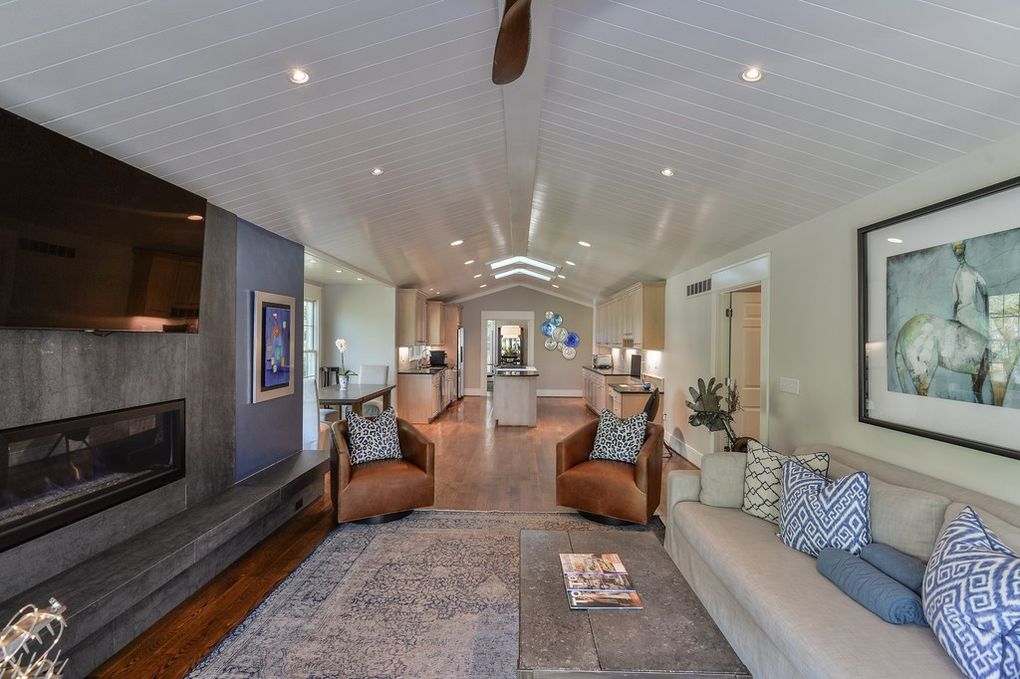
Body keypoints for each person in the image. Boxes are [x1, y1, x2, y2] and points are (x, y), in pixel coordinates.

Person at [951, 240, 988, 338]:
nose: (958, 255)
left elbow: (956, 301)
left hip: (962, 317)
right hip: (973, 316)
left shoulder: (957, 275)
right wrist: (985, 312)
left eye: (958, 253)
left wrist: (953, 318)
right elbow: (985, 292)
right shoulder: (973, 271)